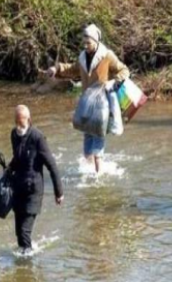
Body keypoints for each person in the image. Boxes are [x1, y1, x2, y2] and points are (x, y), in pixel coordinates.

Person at [45, 24, 129, 173]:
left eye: (88, 42)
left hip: (102, 103)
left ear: (96, 41)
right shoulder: (82, 57)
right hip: (86, 103)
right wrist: (56, 68)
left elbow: (124, 70)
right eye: (84, 42)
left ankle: (98, 177)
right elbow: (72, 70)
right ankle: (90, 174)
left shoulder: (107, 56)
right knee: (87, 147)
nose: (85, 45)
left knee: (98, 142)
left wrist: (113, 82)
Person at [8, 105, 64, 252]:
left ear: (29, 120)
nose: (19, 126)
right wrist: (8, 170)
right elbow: (17, 158)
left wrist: (59, 192)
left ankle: (27, 266)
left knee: (24, 231)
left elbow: (51, 165)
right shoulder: (14, 134)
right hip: (18, 188)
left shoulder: (37, 137)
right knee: (19, 233)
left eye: (21, 122)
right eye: (16, 122)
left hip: (33, 190)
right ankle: (24, 256)